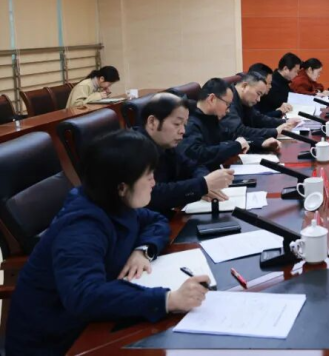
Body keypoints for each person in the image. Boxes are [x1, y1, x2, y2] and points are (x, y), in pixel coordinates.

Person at [6, 130, 210, 354]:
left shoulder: (114, 202)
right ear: (122, 187)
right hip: (56, 341)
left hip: (95, 320)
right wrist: (168, 300)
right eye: (148, 175)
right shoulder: (81, 228)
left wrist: (142, 250)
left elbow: (156, 221)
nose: (154, 182)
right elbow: (84, 295)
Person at [137, 93, 235, 215]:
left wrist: (206, 182)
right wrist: (202, 185)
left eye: (184, 124)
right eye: (177, 124)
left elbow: (193, 165)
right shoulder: (133, 149)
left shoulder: (166, 143)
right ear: (152, 122)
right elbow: (152, 194)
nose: (183, 131)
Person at [179, 78, 280, 169]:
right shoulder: (190, 123)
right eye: (227, 104)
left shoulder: (211, 118)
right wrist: (236, 145)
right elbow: (198, 155)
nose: (228, 110)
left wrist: (260, 143)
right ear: (212, 99)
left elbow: (231, 136)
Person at [221, 72, 300, 147]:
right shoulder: (228, 100)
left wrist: (285, 122)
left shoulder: (243, 100)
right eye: (258, 94)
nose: (258, 99)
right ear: (244, 86)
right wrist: (275, 131)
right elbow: (239, 131)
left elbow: (257, 118)